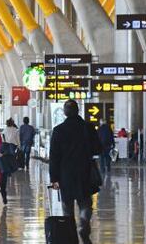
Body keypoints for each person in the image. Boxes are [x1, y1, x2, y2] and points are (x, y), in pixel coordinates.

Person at [49, 100, 102, 244]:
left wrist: (54, 179)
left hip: (65, 175)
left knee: (67, 208)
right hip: (85, 173)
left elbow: (54, 156)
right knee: (85, 203)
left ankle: (71, 234)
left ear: (65, 113)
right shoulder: (88, 128)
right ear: (78, 111)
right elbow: (98, 149)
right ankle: (83, 224)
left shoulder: (59, 130)